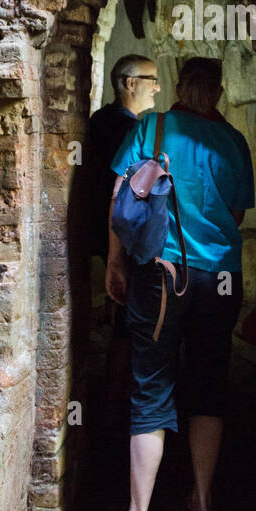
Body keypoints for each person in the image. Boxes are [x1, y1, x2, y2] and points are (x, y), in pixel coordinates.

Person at [105, 56, 254, 511]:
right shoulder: (233, 142)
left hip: (158, 277)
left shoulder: (150, 128)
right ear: (215, 91)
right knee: (209, 385)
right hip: (220, 279)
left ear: (177, 87)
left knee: (151, 388)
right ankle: (205, 507)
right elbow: (234, 214)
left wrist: (114, 263)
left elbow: (121, 200)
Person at [87, 55, 160, 430]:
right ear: (130, 83)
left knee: (122, 327)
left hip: (102, 239)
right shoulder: (128, 130)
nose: (158, 88)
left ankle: (116, 414)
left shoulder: (100, 121)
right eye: (153, 80)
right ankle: (121, 415)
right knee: (129, 330)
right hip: (123, 240)